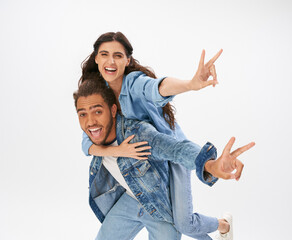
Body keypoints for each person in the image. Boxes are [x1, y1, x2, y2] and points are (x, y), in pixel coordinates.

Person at [79, 31, 252, 239]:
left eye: (118, 55)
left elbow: (156, 88)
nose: (110, 61)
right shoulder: (98, 93)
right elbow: (86, 143)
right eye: (104, 54)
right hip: (144, 162)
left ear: (127, 60)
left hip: (171, 151)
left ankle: (223, 225)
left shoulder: (133, 83)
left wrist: (190, 84)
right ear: (96, 58)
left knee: (184, 223)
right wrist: (119, 150)